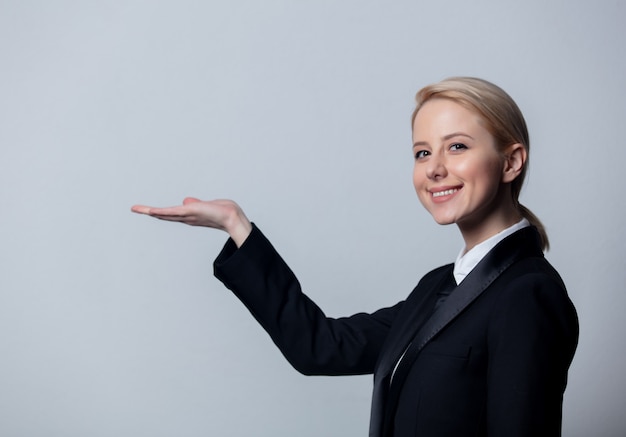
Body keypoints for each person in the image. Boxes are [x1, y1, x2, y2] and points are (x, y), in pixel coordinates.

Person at [131, 77, 579, 436]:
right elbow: (321, 347)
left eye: (457, 146)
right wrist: (237, 226)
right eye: (422, 152)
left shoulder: (526, 293)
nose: (434, 167)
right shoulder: (439, 287)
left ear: (511, 162)